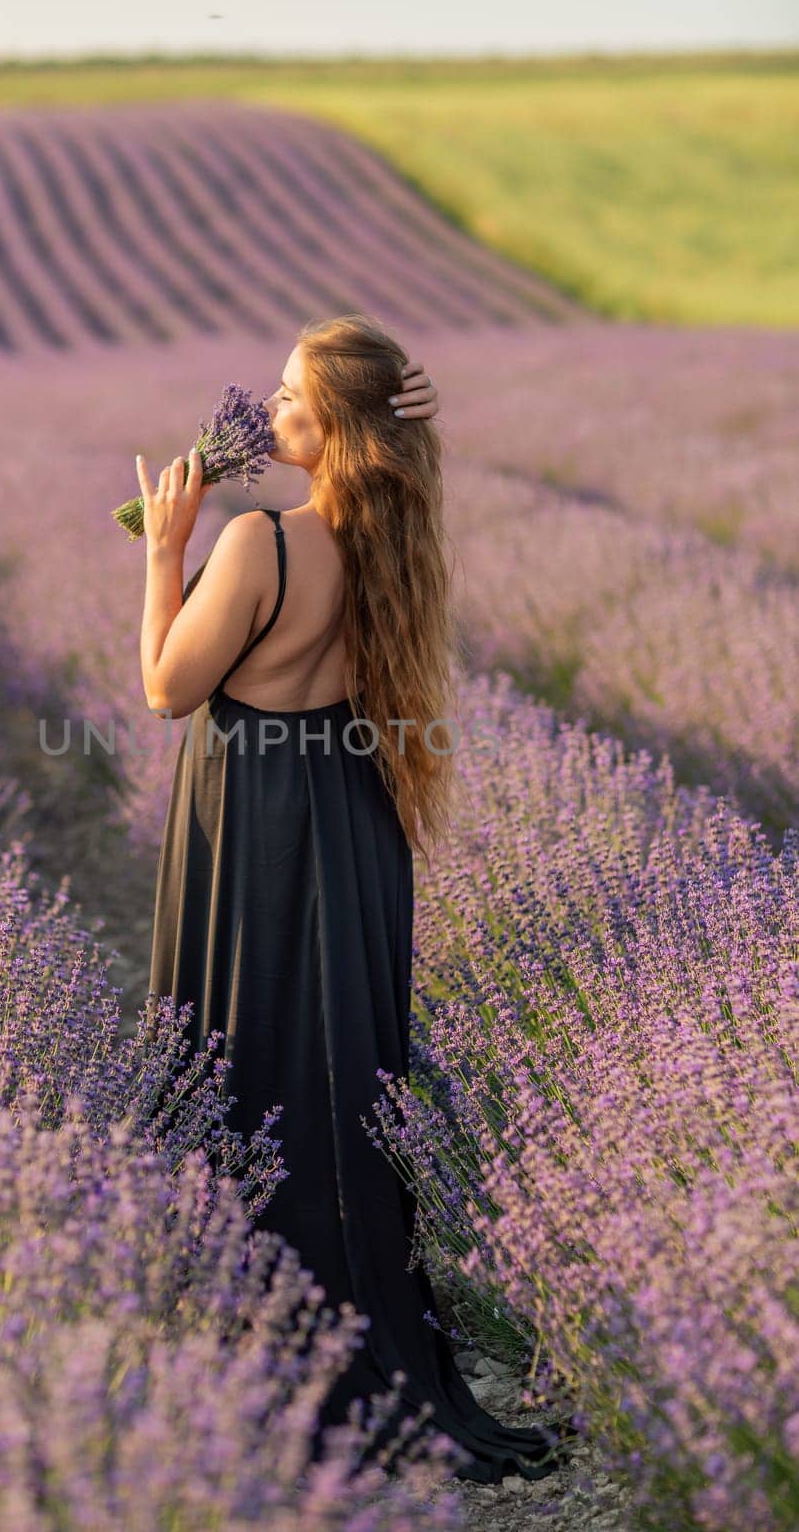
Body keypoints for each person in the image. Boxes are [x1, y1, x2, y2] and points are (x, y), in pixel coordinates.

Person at [137, 313, 573, 1484]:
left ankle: (263, 1338)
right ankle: (358, 1319)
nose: (267, 412)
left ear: (331, 427)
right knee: (337, 1068)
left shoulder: (255, 542)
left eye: (288, 398)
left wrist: (160, 549)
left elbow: (167, 688)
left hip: (258, 822)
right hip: (355, 811)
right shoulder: (390, 534)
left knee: (246, 1053)